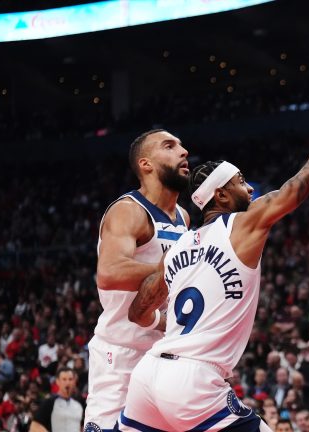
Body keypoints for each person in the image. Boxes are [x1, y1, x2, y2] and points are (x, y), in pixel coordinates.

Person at [116, 55, 309, 432]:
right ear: (221, 196)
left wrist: (169, 321)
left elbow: (139, 312)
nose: (251, 187)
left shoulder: (177, 246)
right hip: (194, 380)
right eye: (241, 181)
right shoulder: (244, 223)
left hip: (147, 377)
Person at [84, 129, 191, 431]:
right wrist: (181, 265)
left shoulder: (182, 216)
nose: (183, 152)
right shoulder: (129, 211)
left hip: (164, 351)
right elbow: (109, 273)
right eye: (169, 146)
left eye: (182, 145)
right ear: (146, 164)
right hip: (122, 354)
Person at [30, 368, 84, 432]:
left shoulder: (79, 403)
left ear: (75, 382)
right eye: (64, 379)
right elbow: (35, 426)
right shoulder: (50, 402)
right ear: (57, 381)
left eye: (70, 379)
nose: (67, 383)